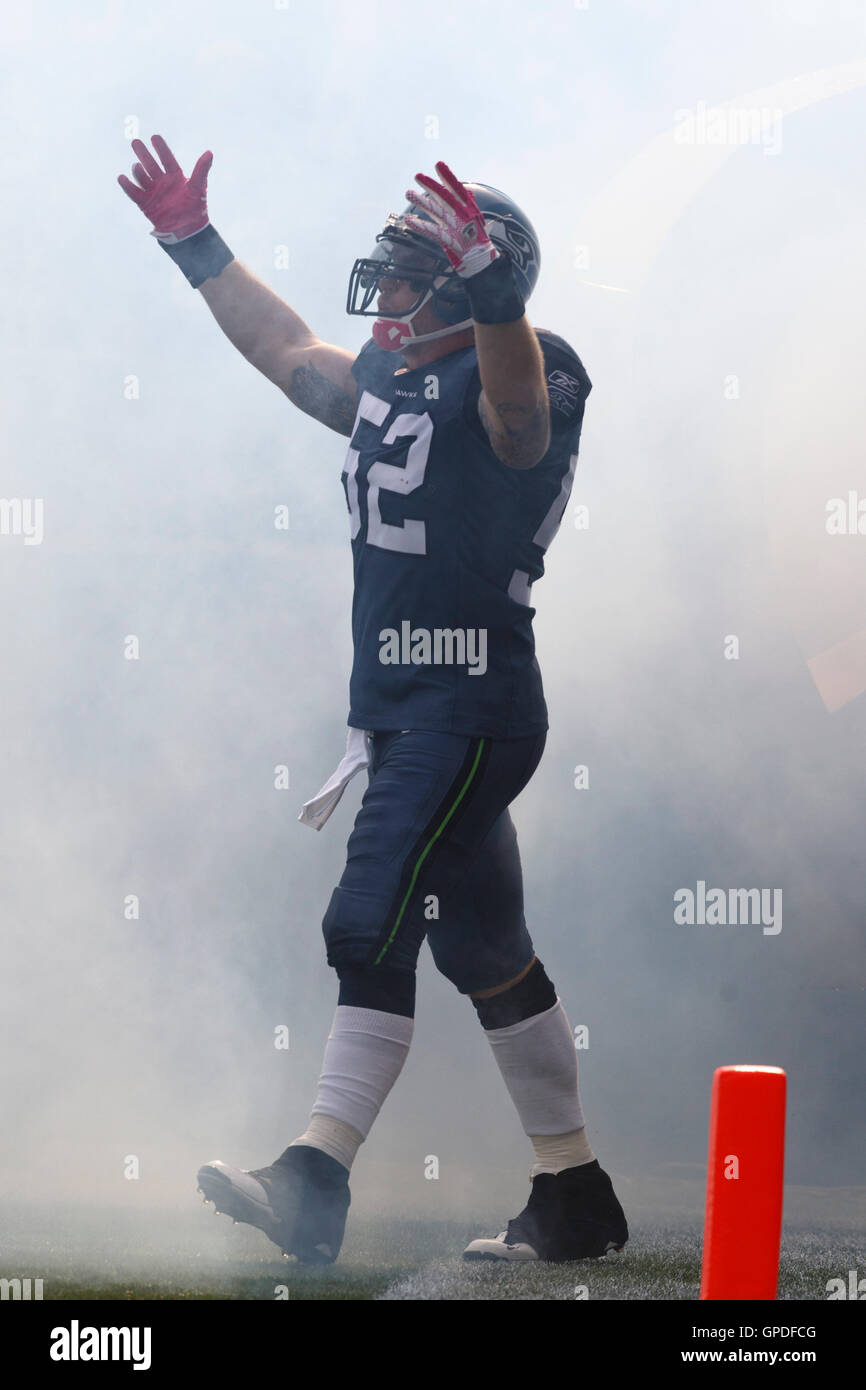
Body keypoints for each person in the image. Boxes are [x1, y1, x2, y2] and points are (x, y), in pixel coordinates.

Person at [118, 136, 628, 1266]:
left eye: (409, 267)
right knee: (486, 947)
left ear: (467, 282)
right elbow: (286, 347)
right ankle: (574, 1192)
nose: (384, 285)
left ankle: (314, 1175)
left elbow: (517, 425)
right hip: (405, 707)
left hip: (468, 699)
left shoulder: (531, 363)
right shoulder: (392, 373)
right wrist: (194, 245)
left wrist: (499, 298)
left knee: (368, 916)